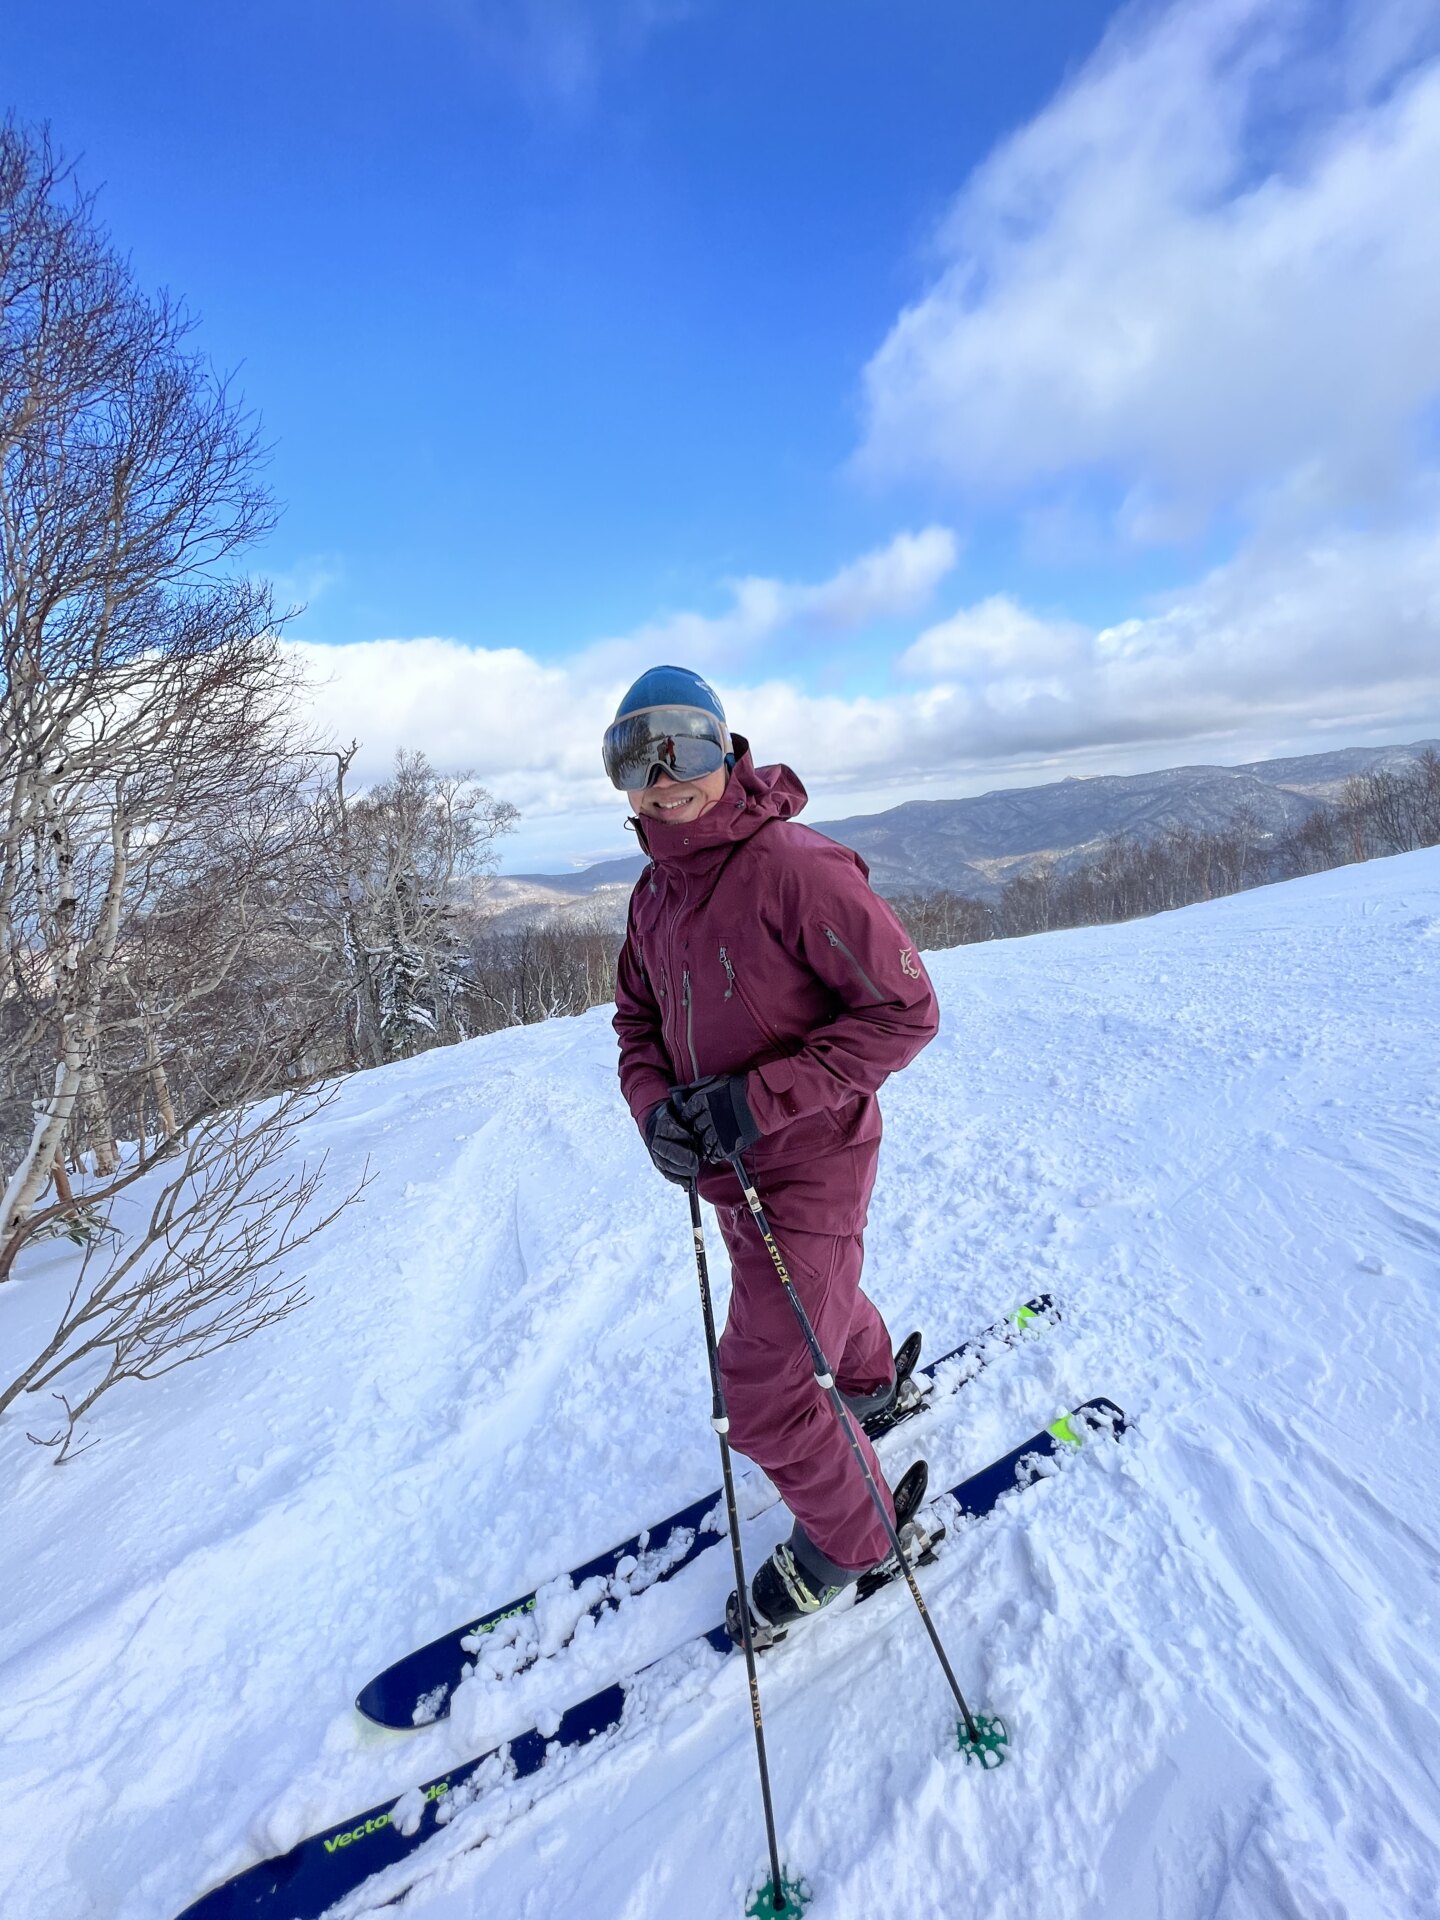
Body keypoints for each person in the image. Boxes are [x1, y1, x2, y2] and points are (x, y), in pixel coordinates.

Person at [606, 664, 941, 1632]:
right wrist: (654, 1106)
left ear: (727, 747)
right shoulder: (654, 895)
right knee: (796, 1289)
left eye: (686, 747)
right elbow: (636, 1019)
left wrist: (756, 1102)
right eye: (636, 755)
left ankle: (856, 1538)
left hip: (812, 1160)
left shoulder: (795, 868)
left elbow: (907, 1012)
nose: (665, 777)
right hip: (731, 1171)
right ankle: (869, 1383)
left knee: (758, 1395)